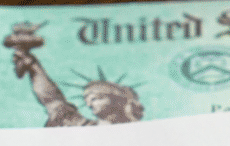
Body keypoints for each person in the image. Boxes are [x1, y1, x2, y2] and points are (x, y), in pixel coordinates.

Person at [6, 23, 143, 127]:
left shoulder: (139, 130)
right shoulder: (81, 125)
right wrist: (33, 66)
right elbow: (53, 101)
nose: (89, 104)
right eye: (87, 99)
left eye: (95, 98)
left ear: (116, 100)